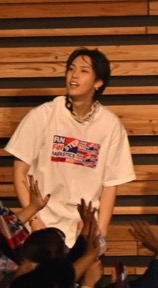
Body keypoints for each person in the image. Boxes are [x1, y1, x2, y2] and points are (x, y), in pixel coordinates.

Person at [6, 48, 135, 245]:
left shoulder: (110, 125)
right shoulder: (43, 115)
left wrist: (99, 233)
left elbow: (110, 185)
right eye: (71, 69)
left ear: (98, 82)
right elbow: (19, 172)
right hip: (42, 229)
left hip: (82, 231)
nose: (74, 75)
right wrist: (34, 220)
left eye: (84, 71)